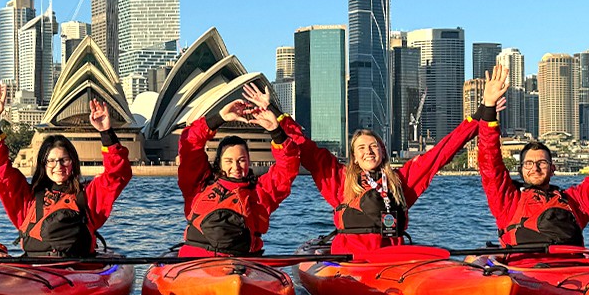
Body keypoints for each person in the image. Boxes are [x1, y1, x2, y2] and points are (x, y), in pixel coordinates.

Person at [298, 70, 504, 256]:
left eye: (373, 146)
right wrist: (277, 123)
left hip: (393, 263)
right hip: (350, 263)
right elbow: (309, 153)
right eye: (361, 148)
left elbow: (441, 153)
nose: (368, 152)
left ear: (383, 151)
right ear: (354, 156)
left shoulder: (400, 181)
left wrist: (484, 112)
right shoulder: (340, 180)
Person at [477, 62, 589, 247]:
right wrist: (489, 108)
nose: (535, 168)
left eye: (542, 163)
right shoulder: (508, 201)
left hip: (572, 270)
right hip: (523, 271)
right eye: (528, 163)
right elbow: (490, 163)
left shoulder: (576, 202)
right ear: (521, 170)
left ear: (553, 169)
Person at [0, 83, 132, 260]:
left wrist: (106, 132)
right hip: (35, 271)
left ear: (73, 163)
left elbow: (117, 174)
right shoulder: (27, 199)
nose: (58, 166)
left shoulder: (88, 197)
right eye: (51, 161)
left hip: (77, 270)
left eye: (64, 160)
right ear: (43, 165)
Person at [177, 86, 306, 257]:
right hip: (196, 260)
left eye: (241, 160)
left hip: (243, 263)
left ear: (249, 162)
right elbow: (189, 144)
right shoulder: (198, 184)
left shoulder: (261, 193)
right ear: (219, 163)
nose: (236, 167)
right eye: (229, 161)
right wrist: (219, 118)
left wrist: (276, 132)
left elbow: (288, 166)